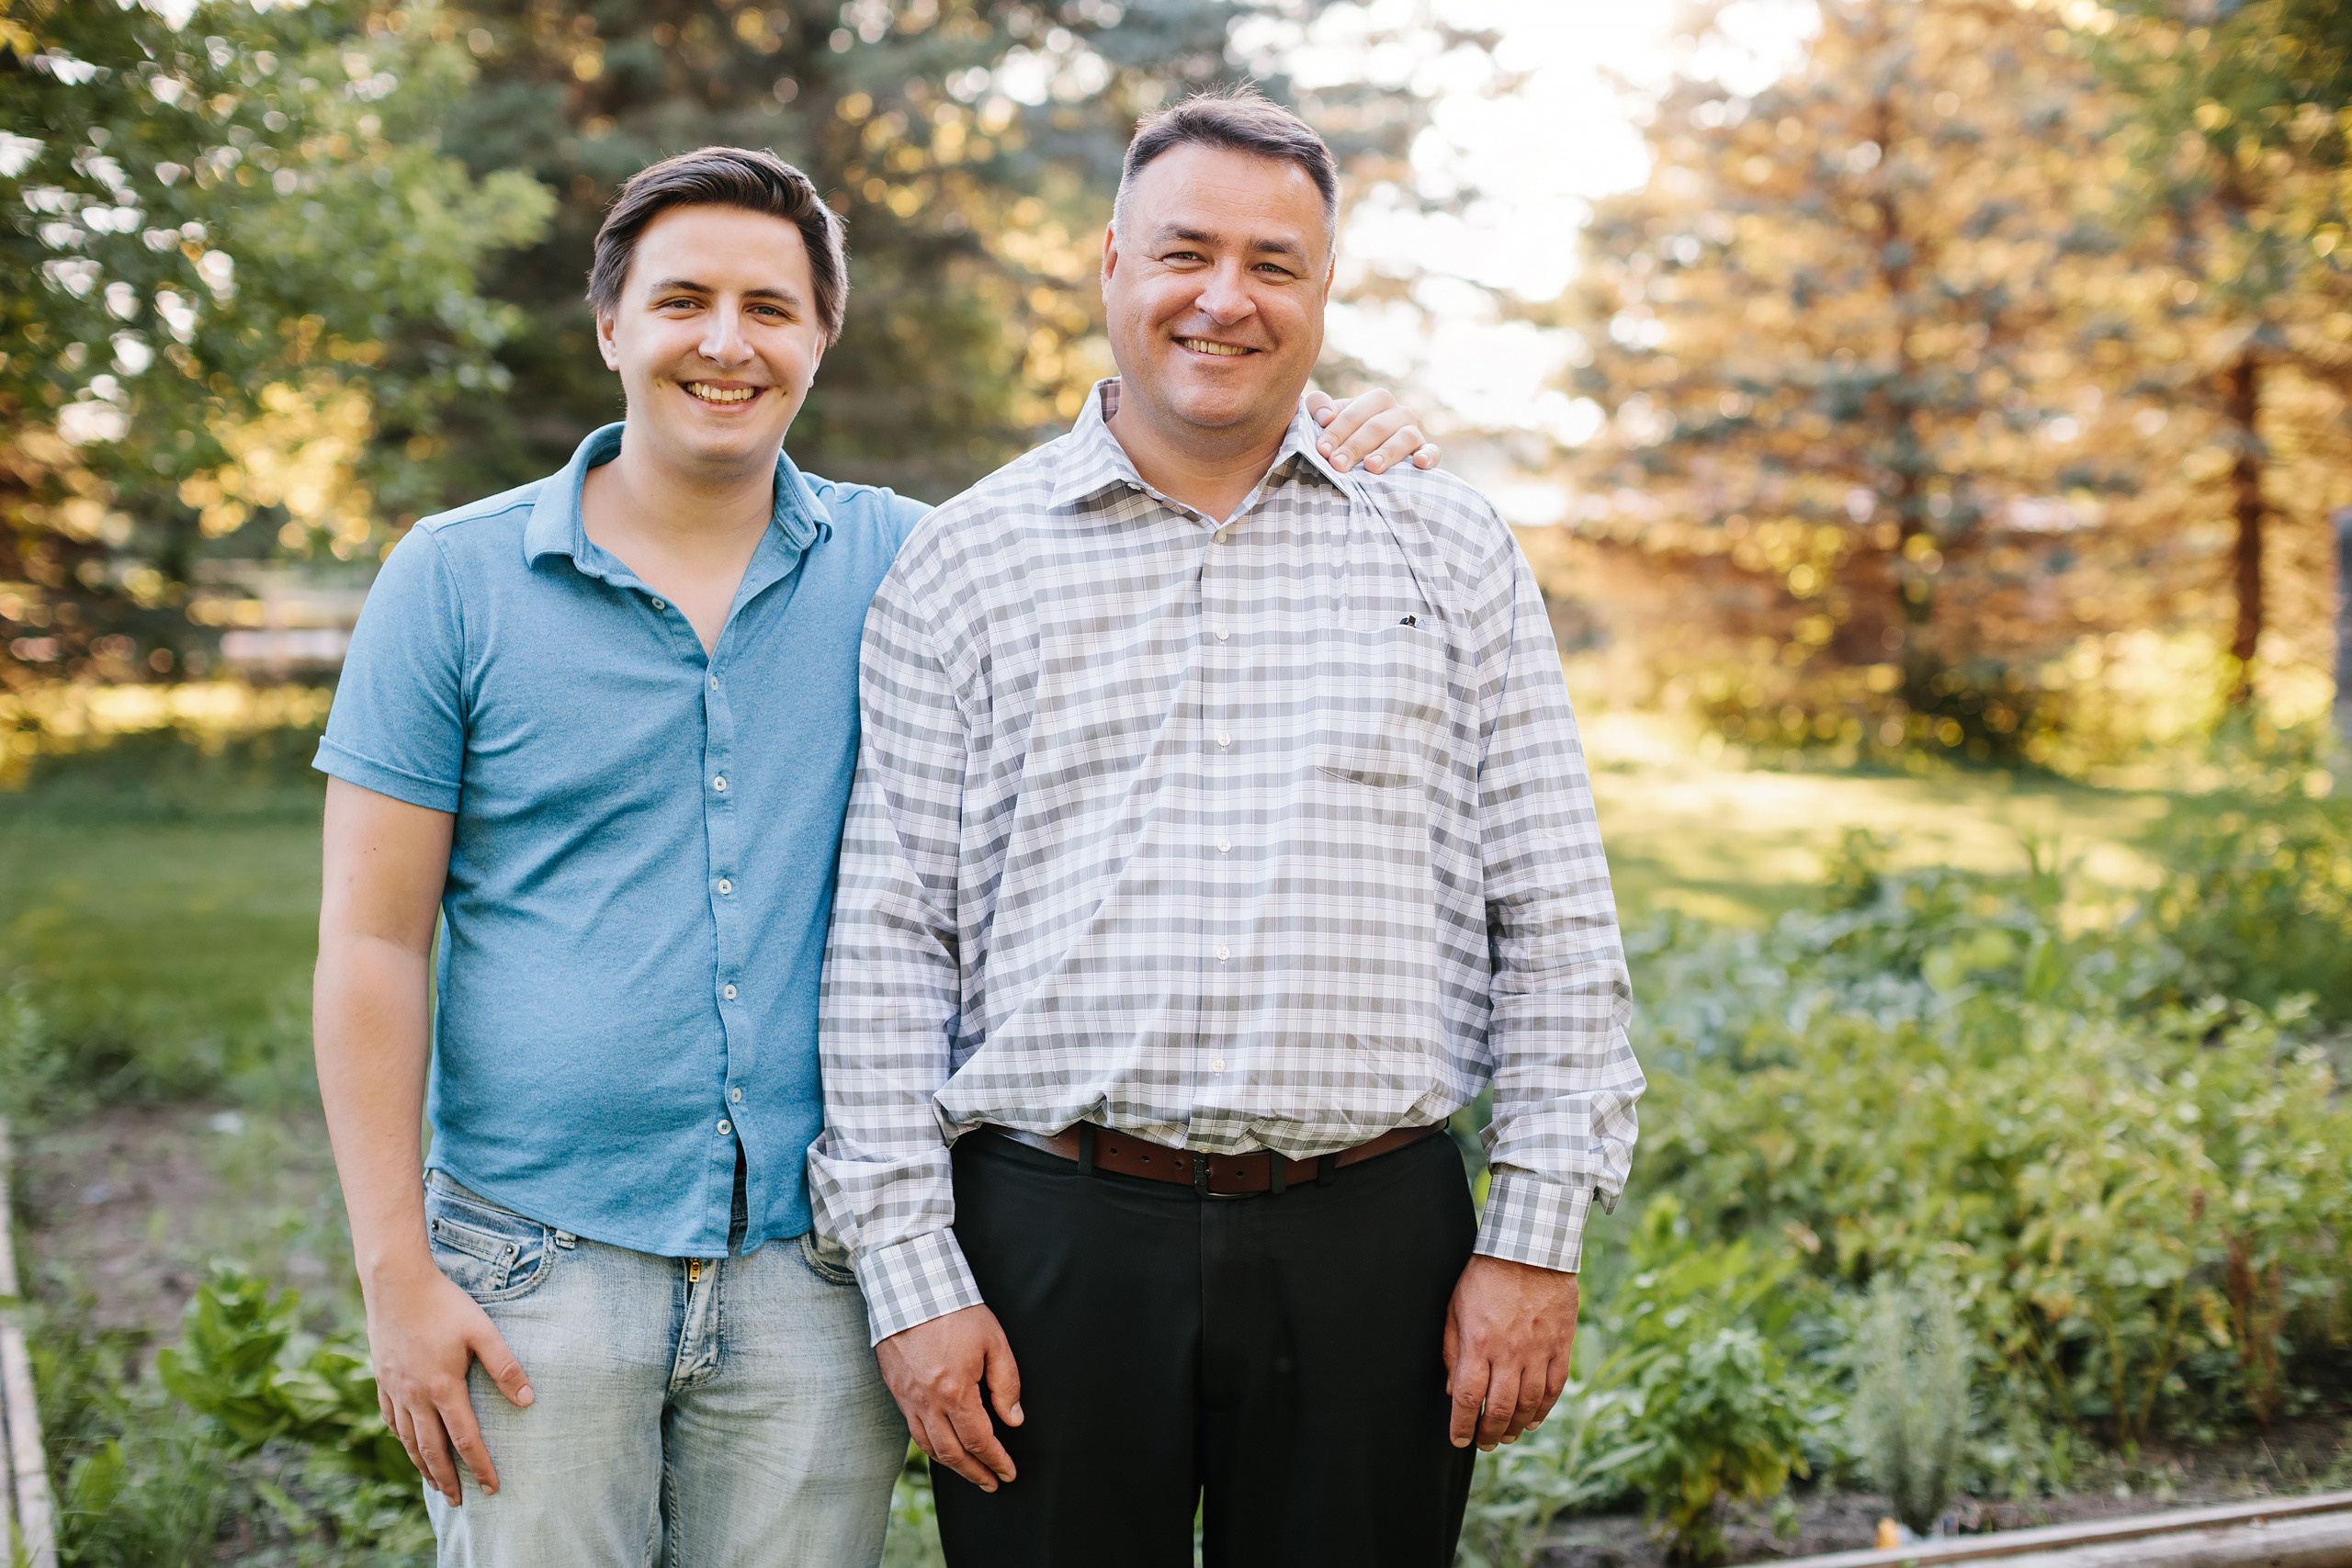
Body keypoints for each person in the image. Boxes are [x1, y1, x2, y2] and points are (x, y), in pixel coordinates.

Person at [310, 143, 1435, 1567]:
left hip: (811, 1273)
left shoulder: (908, 563)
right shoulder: (454, 582)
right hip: (538, 1260)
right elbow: (371, 945)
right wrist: (394, 1272)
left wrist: (1320, 423)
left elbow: (1156, 443)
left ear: (820, 336)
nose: (727, 342)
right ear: (611, 327)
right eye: (683, 302)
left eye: (772, 308)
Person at [811, 88, 1646, 1568]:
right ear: (1113, 262)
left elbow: (1558, 911)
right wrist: (911, 1274)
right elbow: (888, 943)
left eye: (1275, 263)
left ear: (1325, 291)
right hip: (1051, 1238)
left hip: (1373, 1240)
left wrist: (1532, 1238)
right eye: (1187, 252)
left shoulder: (1446, 542)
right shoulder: (968, 563)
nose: (1225, 298)